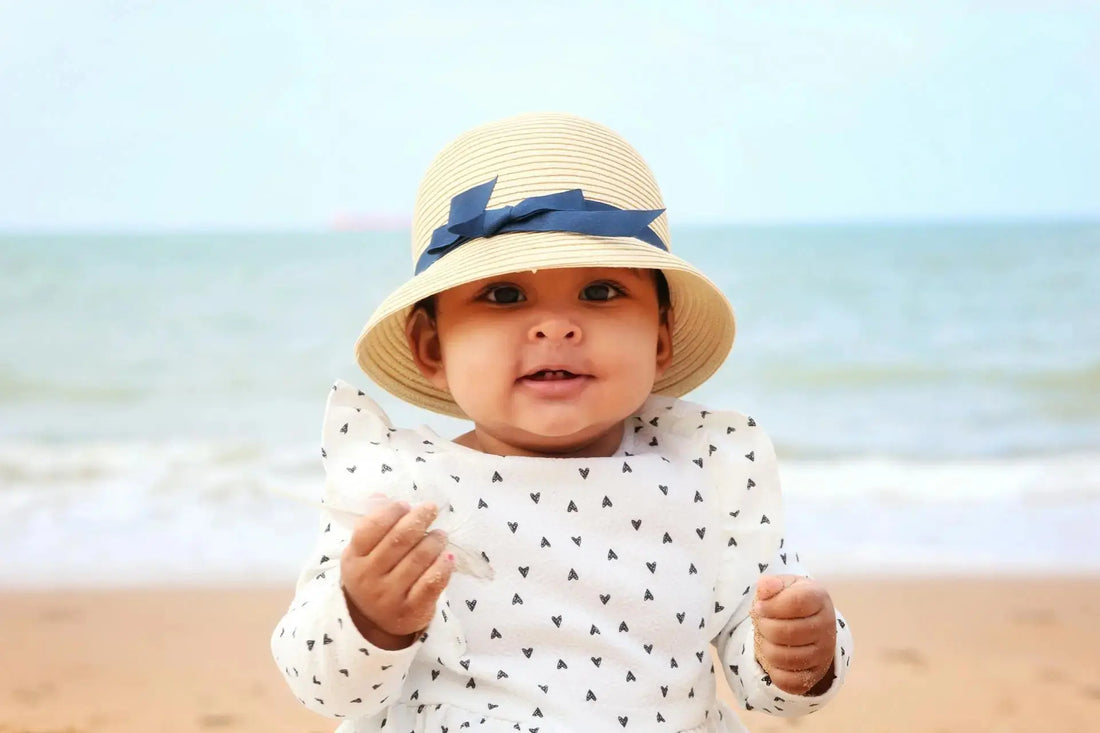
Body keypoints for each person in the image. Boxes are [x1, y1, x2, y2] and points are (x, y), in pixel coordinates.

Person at [271, 112, 853, 732]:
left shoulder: (709, 471)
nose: (556, 327)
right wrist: (368, 617)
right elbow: (327, 690)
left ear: (661, 339)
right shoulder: (401, 493)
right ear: (431, 347)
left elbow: (766, 682)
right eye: (503, 295)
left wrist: (798, 652)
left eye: (601, 292)